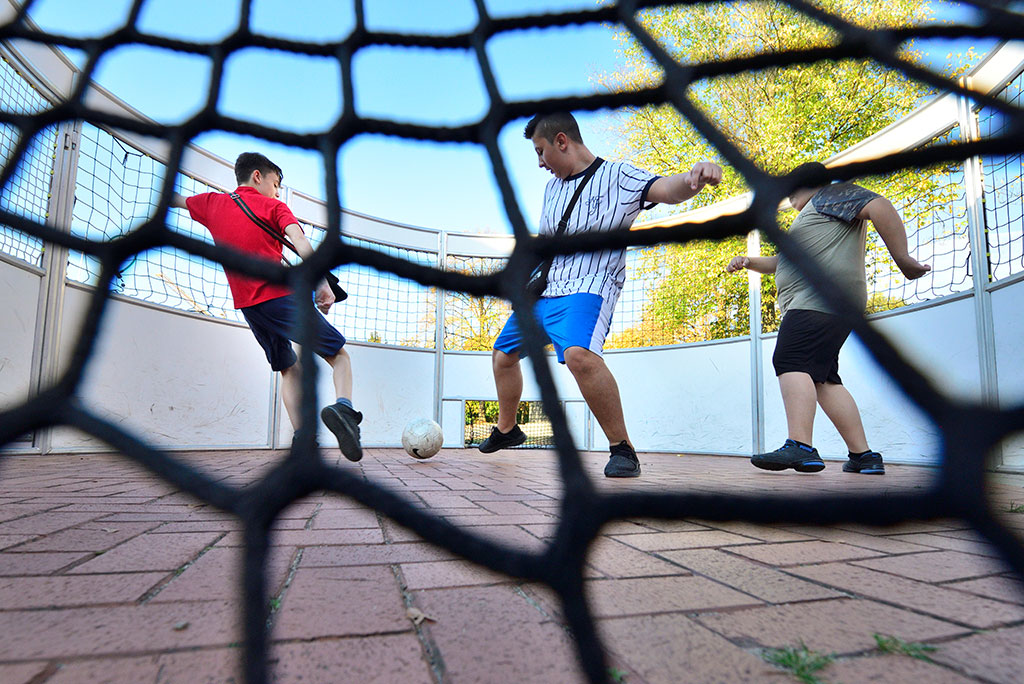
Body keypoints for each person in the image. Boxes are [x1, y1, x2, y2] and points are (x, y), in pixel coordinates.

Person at [479, 112, 722, 478]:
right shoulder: (551, 189)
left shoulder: (618, 176)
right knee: (502, 356)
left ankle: (622, 449)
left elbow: (666, 190)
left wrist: (693, 179)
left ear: (562, 141)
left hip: (588, 287)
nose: (540, 162)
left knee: (579, 356)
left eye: (541, 151)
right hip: (544, 291)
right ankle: (508, 429)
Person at [727, 161, 930, 475]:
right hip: (831, 304)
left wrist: (902, 257)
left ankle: (800, 446)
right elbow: (785, 261)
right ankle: (864, 456)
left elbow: (879, 205)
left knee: (790, 359)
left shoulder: (829, 195)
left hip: (817, 301)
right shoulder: (817, 217)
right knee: (824, 380)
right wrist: (749, 261)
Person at [170, 152, 363, 461]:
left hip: (249, 306)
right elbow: (298, 239)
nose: (277, 191)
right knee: (339, 356)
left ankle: (303, 440)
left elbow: (175, 199)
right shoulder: (274, 206)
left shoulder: (211, 204)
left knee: (288, 368)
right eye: (276, 184)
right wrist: (321, 282)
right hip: (279, 297)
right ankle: (344, 410)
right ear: (258, 176)